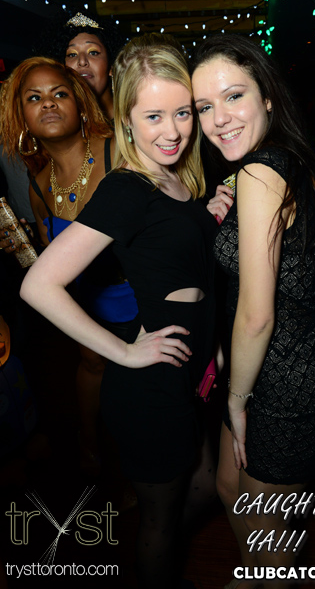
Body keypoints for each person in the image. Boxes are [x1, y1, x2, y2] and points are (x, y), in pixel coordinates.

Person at [20, 42, 216, 589]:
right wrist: (125, 352)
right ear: (126, 119)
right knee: (159, 521)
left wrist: (208, 216)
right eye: (153, 116)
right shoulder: (127, 188)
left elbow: (175, 251)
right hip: (149, 387)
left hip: (187, 371)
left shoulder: (179, 178)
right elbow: (39, 285)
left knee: (203, 483)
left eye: (182, 112)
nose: (172, 131)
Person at [191, 35, 315, 589]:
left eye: (233, 96)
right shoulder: (277, 164)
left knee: (265, 535)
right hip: (272, 375)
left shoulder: (261, 172)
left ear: (268, 97)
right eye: (204, 106)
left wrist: (235, 400)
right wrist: (220, 218)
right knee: (228, 489)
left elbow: (257, 315)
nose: (218, 119)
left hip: (289, 391)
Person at [0, 57, 138, 473]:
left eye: (59, 93)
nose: (48, 103)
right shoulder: (38, 185)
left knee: (142, 390)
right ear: (22, 117)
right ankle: (90, 443)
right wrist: (20, 246)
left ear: (79, 103)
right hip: (89, 302)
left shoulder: (118, 151)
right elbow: (54, 260)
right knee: (92, 365)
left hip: (145, 298)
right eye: (34, 98)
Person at [34, 10, 123, 122]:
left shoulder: (134, 119)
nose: (82, 61)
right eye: (72, 54)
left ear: (111, 66)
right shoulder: (60, 125)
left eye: (93, 52)